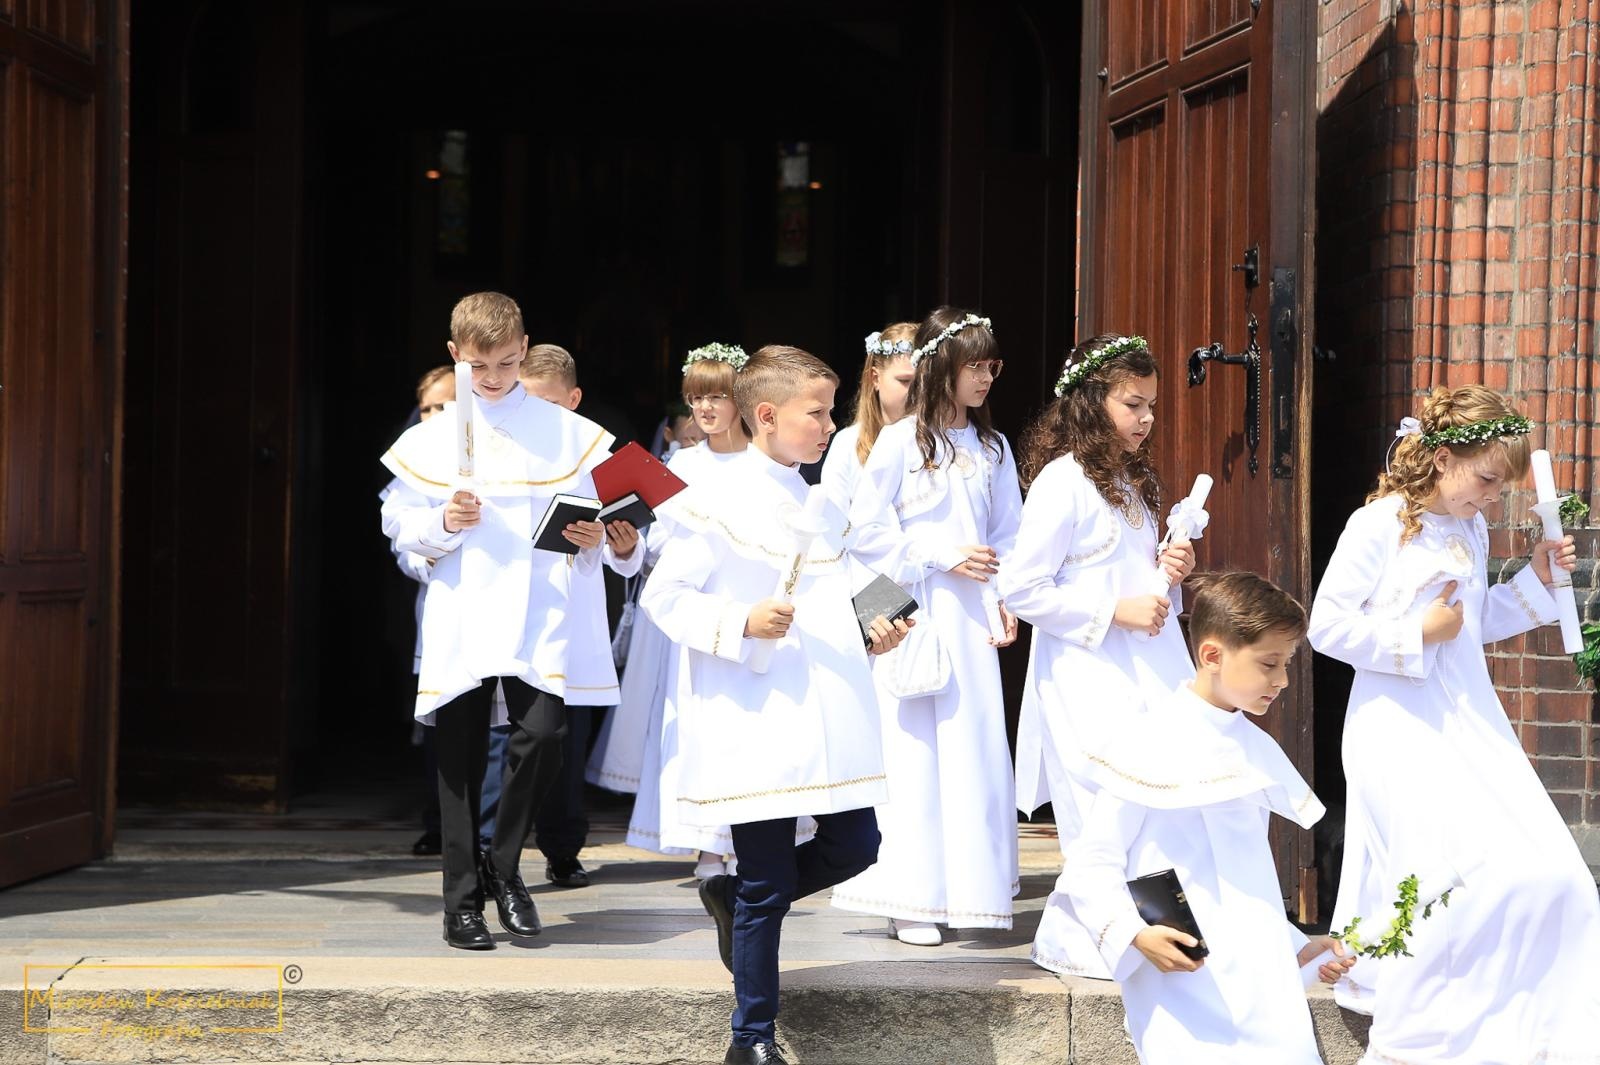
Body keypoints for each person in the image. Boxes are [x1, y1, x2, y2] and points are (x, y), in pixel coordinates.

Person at [1308, 384, 1599, 1062]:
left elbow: (1471, 625)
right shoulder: (1380, 523)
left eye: (1502, 488)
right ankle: (1428, 1032)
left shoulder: (1471, 526)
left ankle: (1528, 1023)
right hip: (1398, 724)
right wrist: (1417, 631)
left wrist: (1532, 578)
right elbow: (1327, 626)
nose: (1494, 498)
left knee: (1555, 871)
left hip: (1467, 716)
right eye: (1487, 480)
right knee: (1447, 879)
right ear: (1442, 457)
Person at [641, 344, 910, 1065]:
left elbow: (840, 589)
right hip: (757, 713)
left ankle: (730, 899)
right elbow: (663, 597)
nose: (830, 425)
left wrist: (875, 625)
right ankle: (750, 1035)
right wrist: (740, 623)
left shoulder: (816, 497)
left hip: (824, 711)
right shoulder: (715, 500)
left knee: (859, 844)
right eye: (816, 413)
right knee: (767, 881)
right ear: (767, 416)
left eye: (828, 411)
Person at [379, 292, 637, 950]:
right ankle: (460, 903)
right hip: (466, 604)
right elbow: (401, 529)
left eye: (504, 364)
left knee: (545, 733)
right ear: (455, 355)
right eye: (479, 366)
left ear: (524, 348)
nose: (493, 379)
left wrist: (595, 537)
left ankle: (503, 859)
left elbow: (611, 524)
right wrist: (443, 522)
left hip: (540, 607)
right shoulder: (433, 435)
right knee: (460, 757)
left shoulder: (569, 433)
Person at [1062, 572, 1352, 1064]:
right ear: (1213, 655)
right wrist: (1133, 934)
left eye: (1286, 664)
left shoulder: (1254, 748)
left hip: (1259, 981)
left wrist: (1294, 944)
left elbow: (1244, 876)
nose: (1282, 680)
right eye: (1268, 664)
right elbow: (1092, 864)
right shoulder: (1147, 741)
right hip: (1183, 973)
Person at [998, 334, 1198, 975]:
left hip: (1148, 664)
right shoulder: (1063, 483)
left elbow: (1128, 570)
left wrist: (1170, 564)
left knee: (1154, 797)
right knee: (1103, 803)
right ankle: (1079, 933)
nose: (1146, 420)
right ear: (1090, 402)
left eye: (1151, 408)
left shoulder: (1129, 483)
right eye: (1133, 405)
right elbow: (1023, 586)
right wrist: (1112, 609)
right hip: (1088, 672)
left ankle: (1146, 930)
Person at [830, 307, 1023, 945]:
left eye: (993, 366)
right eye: (976, 365)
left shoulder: (993, 447)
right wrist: (938, 557)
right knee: (913, 751)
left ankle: (972, 891)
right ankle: (908, 895)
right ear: (944, 367)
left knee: (973, 747)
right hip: (914, 611)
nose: (987, 378)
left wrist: (1003, 596)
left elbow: (1007, 533)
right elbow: (863, 529)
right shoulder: (898, 441)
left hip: (970, 617)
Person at [599, 343, 754, 880]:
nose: (706, 409)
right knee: (696, 731)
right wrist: (625, 549)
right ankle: (710, 847)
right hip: (694, 619)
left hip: (751, 614)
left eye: (717, 396)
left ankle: (753, 842)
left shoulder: (767, 460)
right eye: (696, 399)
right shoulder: (682, 463)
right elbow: (659, 547)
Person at [493, 342, 641, 888]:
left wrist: (617, 544)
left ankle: (562, 845)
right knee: (501, 736)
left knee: (561, 737)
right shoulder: (497, 449)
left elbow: (627, 558)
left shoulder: (596, 456)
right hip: (504, 610)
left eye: (552, 405)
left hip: (568, 612)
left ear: (575, 400)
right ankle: (493, 848)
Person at [397, 365, 454, 858]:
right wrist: (427, 555)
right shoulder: (414, 459)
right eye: (428, 407)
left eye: (448, 405)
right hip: (439, 609)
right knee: (441, 725)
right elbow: (403, 535)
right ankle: (439, 823)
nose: (437, 415)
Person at [819, 323, 916, 510]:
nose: (914, 391)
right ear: (875, 378)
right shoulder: (848, 444)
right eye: (904, 381)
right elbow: (834, 515)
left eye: (922, 381)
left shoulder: (938, 442)